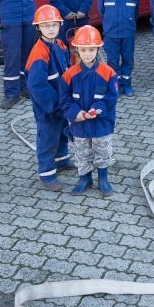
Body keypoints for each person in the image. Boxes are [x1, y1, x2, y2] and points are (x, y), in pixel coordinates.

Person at [59, 25, 119, 196]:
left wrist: (98, 108)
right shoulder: (69, 75)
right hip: (80, 125)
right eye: (83, 50)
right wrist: (76, 113)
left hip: (102, 123)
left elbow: (111, 97)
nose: (87, 54)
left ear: (98, 49)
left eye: (91, 50)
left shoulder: (108, 73)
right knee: (82, 152)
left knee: (102, 150)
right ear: (77, 49)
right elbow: (64, 99)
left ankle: (103, 179)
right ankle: (85, 179)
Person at [25, 5, 72, 191]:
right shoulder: (39, 53)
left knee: (62, 133)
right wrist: (54, 106)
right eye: (46, 26)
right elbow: (37, 85)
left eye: (54, 25)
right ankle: (47, 174)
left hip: (60, 103)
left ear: (60, 25)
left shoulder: (60, 45)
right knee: (48, 138)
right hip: (48, 107)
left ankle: (61, 160)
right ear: (38, 28)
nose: (51, 29)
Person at [98, 0, 140, 98]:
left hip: (128, 33)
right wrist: (109, 25)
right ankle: (115, 86)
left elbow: (136, 12)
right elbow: (101, 11)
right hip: (111, 34)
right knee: (113, 61)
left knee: (128, 59)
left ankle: (127, 85)